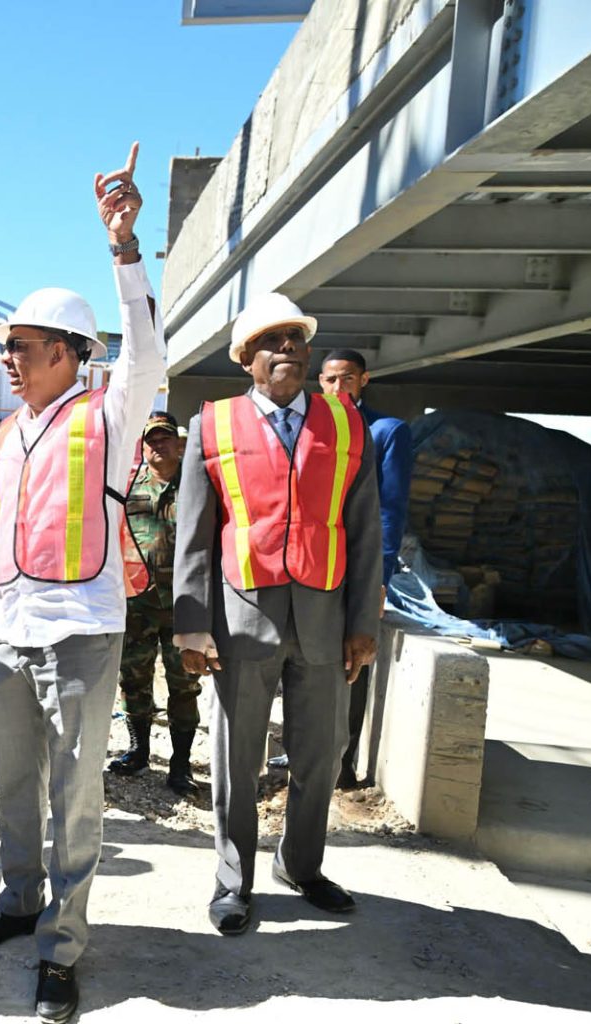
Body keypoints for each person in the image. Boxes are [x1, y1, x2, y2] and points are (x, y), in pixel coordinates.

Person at [0, 143, 164, 1024]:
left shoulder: (109, 415)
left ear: (72, 352)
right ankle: (16, 899)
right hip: (8, 634)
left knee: (76, 795)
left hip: (80, 630)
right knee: (14, 785)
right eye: (7, 348)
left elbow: (147, 352)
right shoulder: (2, 440)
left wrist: (123, 249)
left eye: (24, 347)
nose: (9, 359)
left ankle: (62, 948)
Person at [172, 292, 381, 937]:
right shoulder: (213, 424)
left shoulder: (347, 425)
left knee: (321, 752)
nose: (286, 347)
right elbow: (195, 531)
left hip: (324, 617)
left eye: (295, 337)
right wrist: (190, 621)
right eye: (270, 340)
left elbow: (366, 528)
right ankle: (234, 881)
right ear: (245, 359)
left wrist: (363, 625)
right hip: (242, 618)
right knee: (237, 758)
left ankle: (302, 865)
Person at [319, 348, 412, 788]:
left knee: (352, 662)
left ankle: (342, 764)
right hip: (311, 562)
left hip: (357, 565)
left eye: (348, 379)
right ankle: (304, 756)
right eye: (331, 380)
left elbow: (390, 512)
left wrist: (379, 579)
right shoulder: (308, 425)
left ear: (364, 380)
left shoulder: (386, 432)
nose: (339, 388)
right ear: (319, 382)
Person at [109, 411, 204, 796]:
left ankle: (180, 766)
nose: (157, 445)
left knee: (184, 685)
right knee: (134, 680)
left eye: (164, 438)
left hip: (184, 605)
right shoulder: (128, 486)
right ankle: (139, 751)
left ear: (178, 444)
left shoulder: (197, 486)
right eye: (150, 439)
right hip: (138, 606)